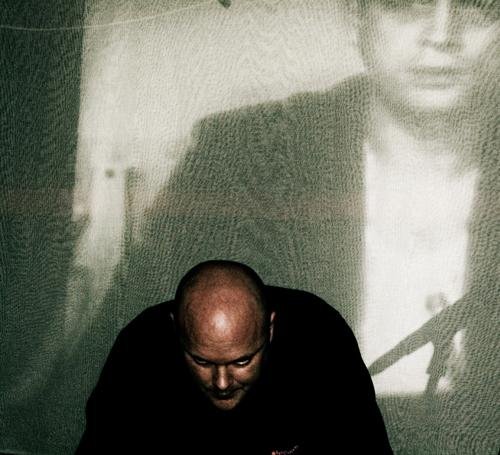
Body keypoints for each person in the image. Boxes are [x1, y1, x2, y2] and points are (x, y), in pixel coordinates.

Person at [106, 0, 498, 452]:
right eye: (406, 4)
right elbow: (131, 370)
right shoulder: (242, 154)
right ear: (356, 16)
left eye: (478, 7)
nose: (442, 34)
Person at [77, 260, 392, 454]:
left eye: (242, 361)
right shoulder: (139, 350)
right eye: (202, 361)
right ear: (176, 332)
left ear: (270, 329)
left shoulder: (321, 341)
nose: (222, 383)